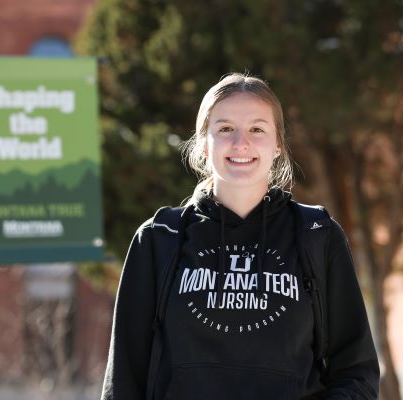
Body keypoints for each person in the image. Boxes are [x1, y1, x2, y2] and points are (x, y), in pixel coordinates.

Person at [101, 73, 380, 399]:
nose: (240, 143)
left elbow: (356, 372)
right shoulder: (159, 239)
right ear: (204, 144)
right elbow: (123, 381)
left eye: (257, 129)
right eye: (225, 129)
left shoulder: (317, 235)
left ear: (277, 145)